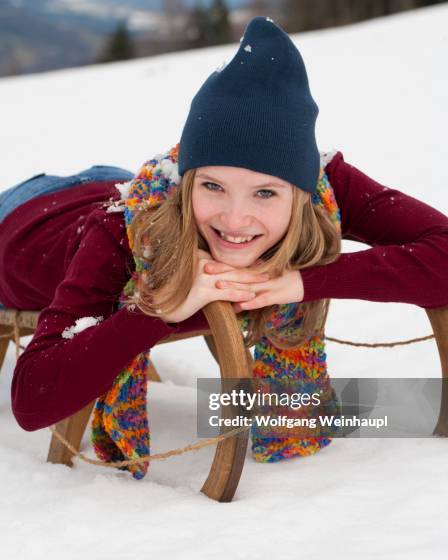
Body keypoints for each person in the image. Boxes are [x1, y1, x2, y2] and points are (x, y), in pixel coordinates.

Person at [1, 17, 448, 471]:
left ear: (302, 192)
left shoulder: (323, 188)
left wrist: (302, 281)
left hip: (108, 177)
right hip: (25, 219)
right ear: (188, 180)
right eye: (212, 186)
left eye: (265, 193)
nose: (235, 220)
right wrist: (158, 309)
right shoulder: (123, 230)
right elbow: (32, 400)